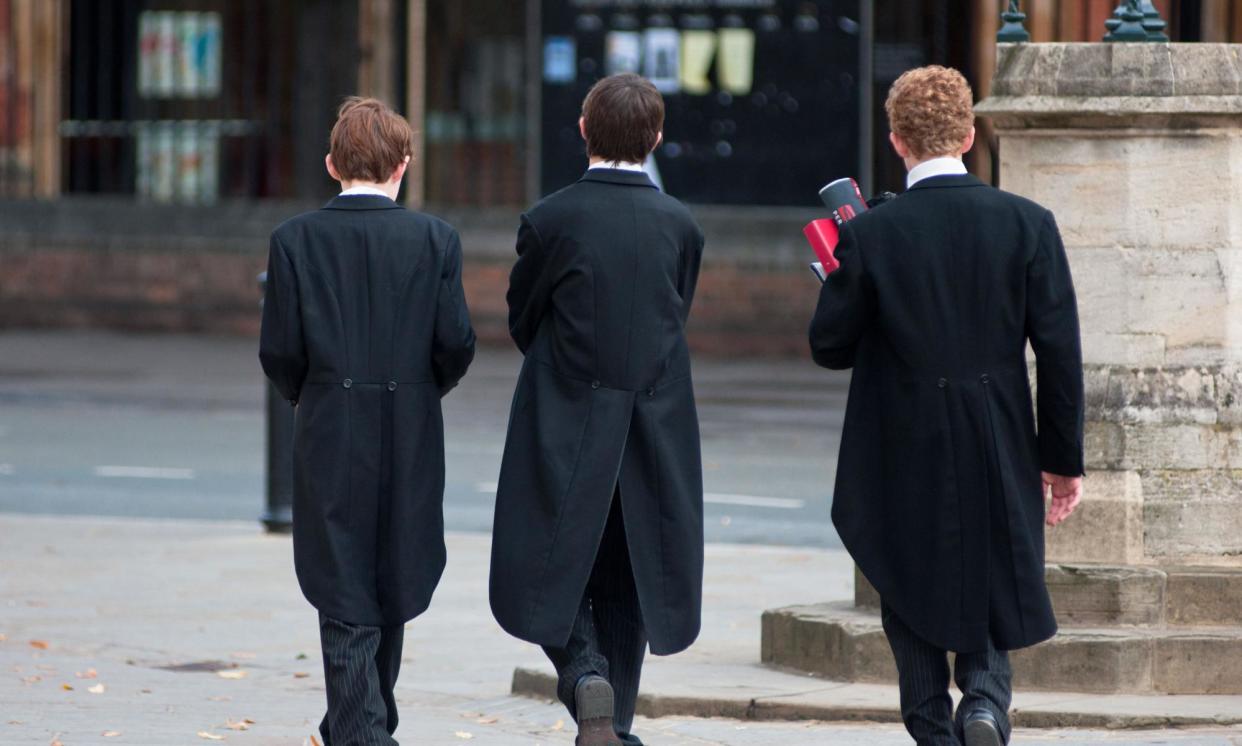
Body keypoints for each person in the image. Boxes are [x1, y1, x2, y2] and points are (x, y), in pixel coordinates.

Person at [808, 66, 1085, 746]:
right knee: (990, 565)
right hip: (998, 428)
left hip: (901, 434)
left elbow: (830, 346)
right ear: (968, 134)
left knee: (908, 575)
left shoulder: (872, 234)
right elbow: (1059, 352)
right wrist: (1062, 460)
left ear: (897, 141)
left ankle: (931, 723)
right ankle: (987, 703)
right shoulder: (1027, 222)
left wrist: (838, 275)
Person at [488, 73, 705, 746]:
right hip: (652, 429)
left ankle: (585, 677)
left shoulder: (551, 220)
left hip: (565, 421)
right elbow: (675, 315)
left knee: (540, 564)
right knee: (629, 580)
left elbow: (524, 319)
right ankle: (615, 720)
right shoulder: (680, 225)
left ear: (583, 130)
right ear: (657, 138)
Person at [259, 97, 476, 746]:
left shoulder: (294, 241)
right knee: (393, 577)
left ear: (332, 163)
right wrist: (419, 389)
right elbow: (456, 342)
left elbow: (280, 352)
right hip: (409, 425)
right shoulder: (435, 240)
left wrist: (313, 394)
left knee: (344, 583)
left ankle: (359, 728)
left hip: (330, 424)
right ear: (402, 166)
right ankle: (365, 728)